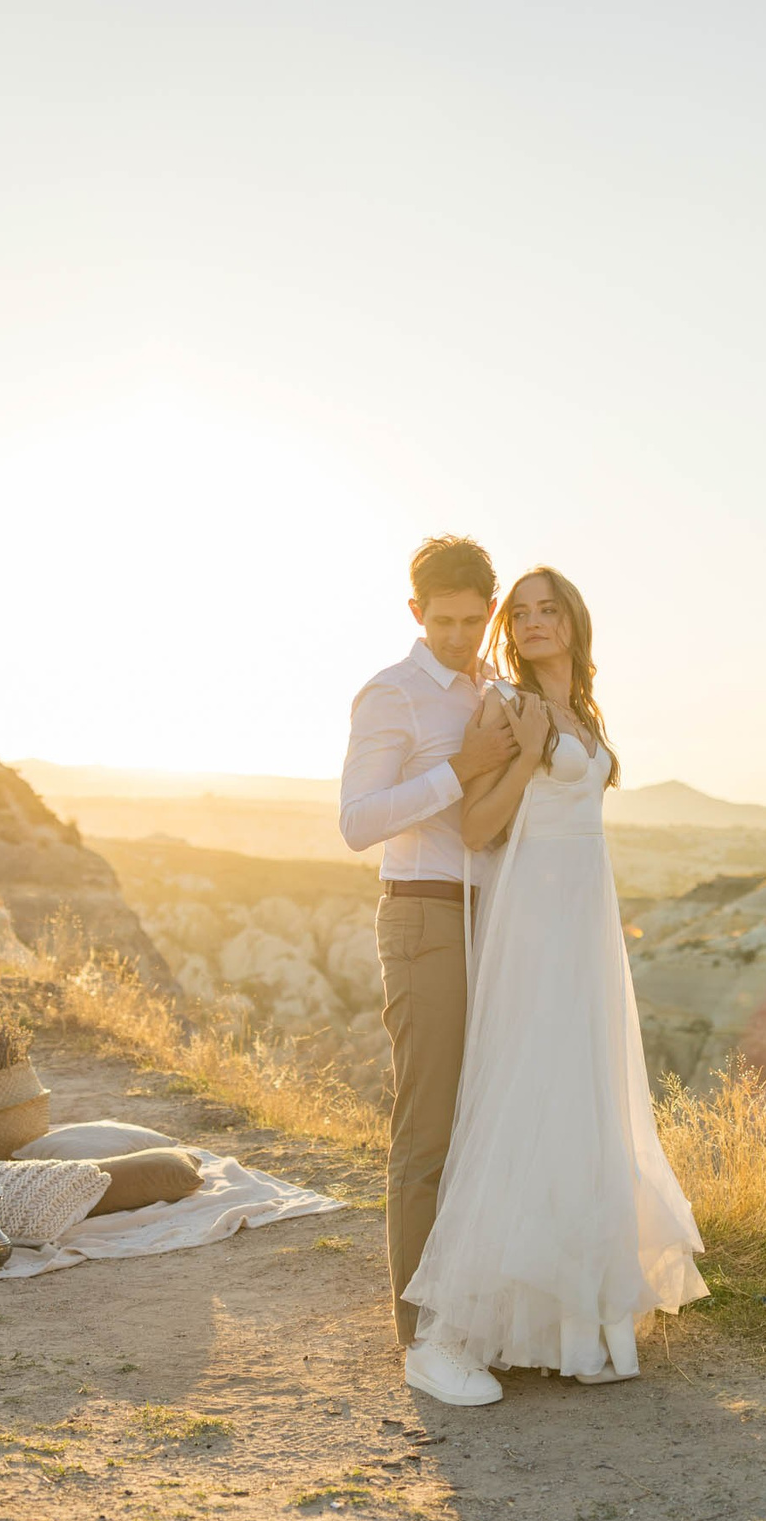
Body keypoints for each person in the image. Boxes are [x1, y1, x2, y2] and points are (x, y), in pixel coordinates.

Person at [400, 567, 708, 1402]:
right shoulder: (506, 705)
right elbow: (474, 824)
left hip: (582, 928)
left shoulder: (583, 712)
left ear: (573, 622)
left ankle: (572, 1322)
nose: (533, 623)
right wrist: (529, 751)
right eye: (522, 612)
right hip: (531, 925)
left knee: (580, 1105)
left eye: (549, 610)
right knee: (525, 1100)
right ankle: (451, 1336)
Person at [338, 535, 520, 1405]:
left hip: (498, 924)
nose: (457, 635)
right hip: (423, 916)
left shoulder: (500, 689)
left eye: (470, 619)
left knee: (489, 1124)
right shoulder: (392, 694)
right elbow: (358, 821)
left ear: (489, 609)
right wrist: (460, 771)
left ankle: (479, 1313)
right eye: (440, 620)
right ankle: (421, 1338)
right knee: (428, 1132)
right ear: (416, 614)